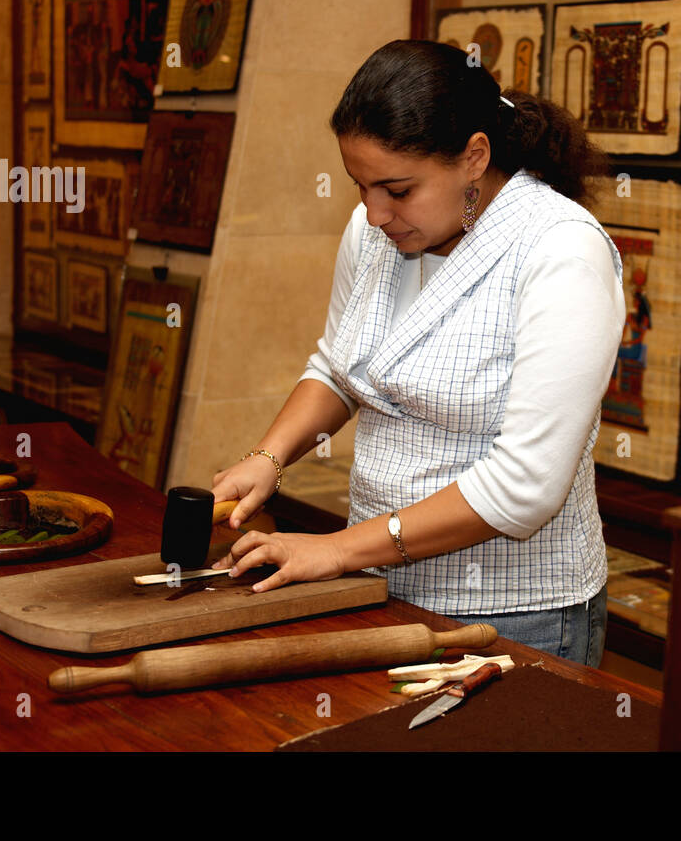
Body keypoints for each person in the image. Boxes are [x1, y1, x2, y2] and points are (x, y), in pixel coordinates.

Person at [210, 40, 625, 667]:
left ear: (474, 157)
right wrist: (270, 456)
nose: (374, 213)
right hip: (385, 583)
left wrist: (339, 549)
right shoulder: (377, 230)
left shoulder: (560, 252)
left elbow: (525, 487)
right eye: (360, 185)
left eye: (397, 190)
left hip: (512, 613)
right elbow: (337, 368)